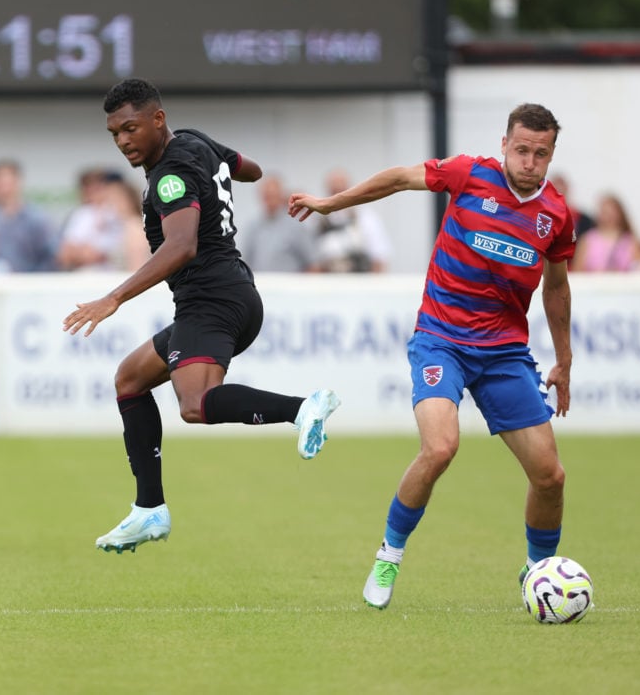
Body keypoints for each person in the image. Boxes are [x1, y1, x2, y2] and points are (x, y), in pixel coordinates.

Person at [290, 103, 575, 610]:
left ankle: (539, 575)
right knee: (441, 447)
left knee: (550, 476)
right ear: (505, 144)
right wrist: (333, 204)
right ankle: (389, 554)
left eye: (542, 153)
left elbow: (556, 289)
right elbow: (401, 177)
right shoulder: (469, 174)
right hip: (441, 337)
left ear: (551, 155)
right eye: (522, 149)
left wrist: (564, 360)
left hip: (505, 353)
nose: (530, 161)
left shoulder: (555, 215)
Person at [62, 78, 340, 554]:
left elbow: (182, 245)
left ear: (157, 119)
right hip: (231, 293)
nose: (124, 140)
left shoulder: (169, 175)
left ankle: (302, 408)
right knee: (129, 379)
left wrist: (114, 298)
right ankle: (149, 510)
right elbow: (248, 170)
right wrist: (220, 175)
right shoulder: (195, 141)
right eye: (114, 133)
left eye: (131, 127)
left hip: (212, 300)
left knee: (194, 405)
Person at [0, 159, 59, 272]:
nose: (4, 189)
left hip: (30, 284)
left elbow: (51, 256)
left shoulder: (36, 218)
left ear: (17, 183)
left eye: (7, 183)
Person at [314, 168, 391, 272]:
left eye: (342, 191)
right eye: (334, 191)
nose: (338, 197)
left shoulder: (366, 217)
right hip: (328, 283)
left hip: (360, 282)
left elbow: (379, 256)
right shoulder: (317, 221)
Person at [240, 173, 320, 273]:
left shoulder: (296, 225)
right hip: (259, 285)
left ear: (281, 196)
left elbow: (312, 263)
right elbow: (245, 262)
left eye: (273, 195)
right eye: (266, 195)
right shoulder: (252, 227)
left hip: (290, 286)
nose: (269, 199)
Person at [57, 168, 126, 271]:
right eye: (87, 186)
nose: (91, 191)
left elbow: (110, 253)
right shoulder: (81, 213)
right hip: (82, 277)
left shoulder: (118, 212)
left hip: (113, 277)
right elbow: (65, 255)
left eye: (97, 186)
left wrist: (94, 254)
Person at [571, 193, 637, 272]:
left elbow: (638, 267)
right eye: (605, 212)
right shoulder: (587, 239)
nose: (608, 216)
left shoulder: (631, 240)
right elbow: (577, 270)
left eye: (611, 212)